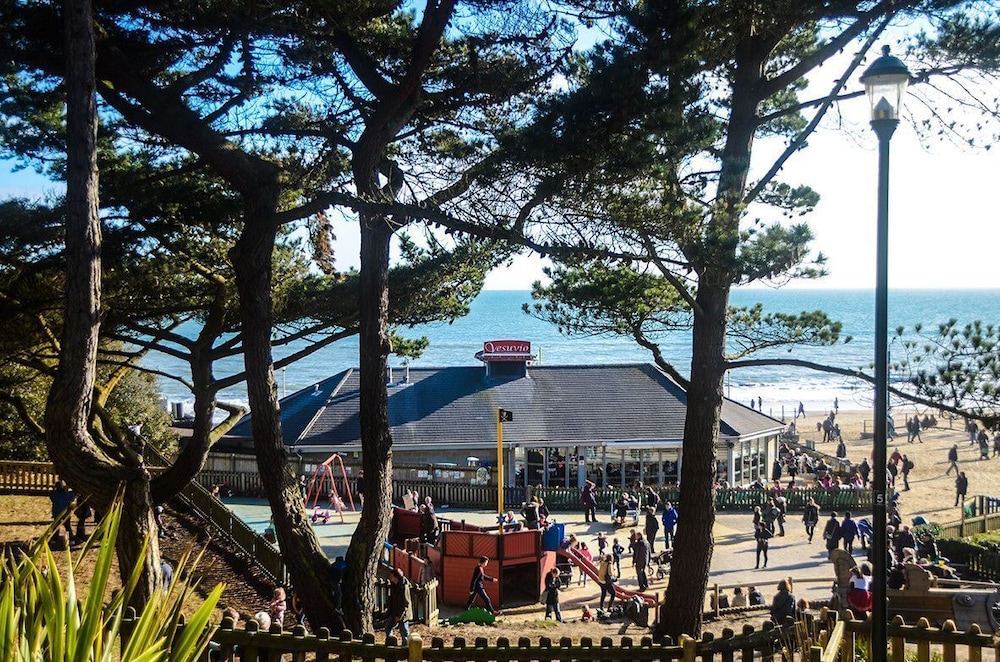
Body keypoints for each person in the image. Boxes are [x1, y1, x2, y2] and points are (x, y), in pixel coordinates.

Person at [385, 567, 412, 642]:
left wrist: (400, 615)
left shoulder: (404, 587)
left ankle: (405, 645)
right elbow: (391, 598)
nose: (390, 577)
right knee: (388, 627)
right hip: (394, 611)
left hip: (403, 614)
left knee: (404, 631)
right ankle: (390, 642)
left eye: (392, 576)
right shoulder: (393, 585)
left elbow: (406, 603)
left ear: (396, 577)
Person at [49, 480, 75, 544]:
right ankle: (71, 539)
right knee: (67, 526)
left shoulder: (54, 494)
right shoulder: (67, 494)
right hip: (66, 512)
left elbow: (52, 498)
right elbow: (72, 496)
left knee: (56, 526)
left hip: (57, 512)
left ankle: (54, 539)